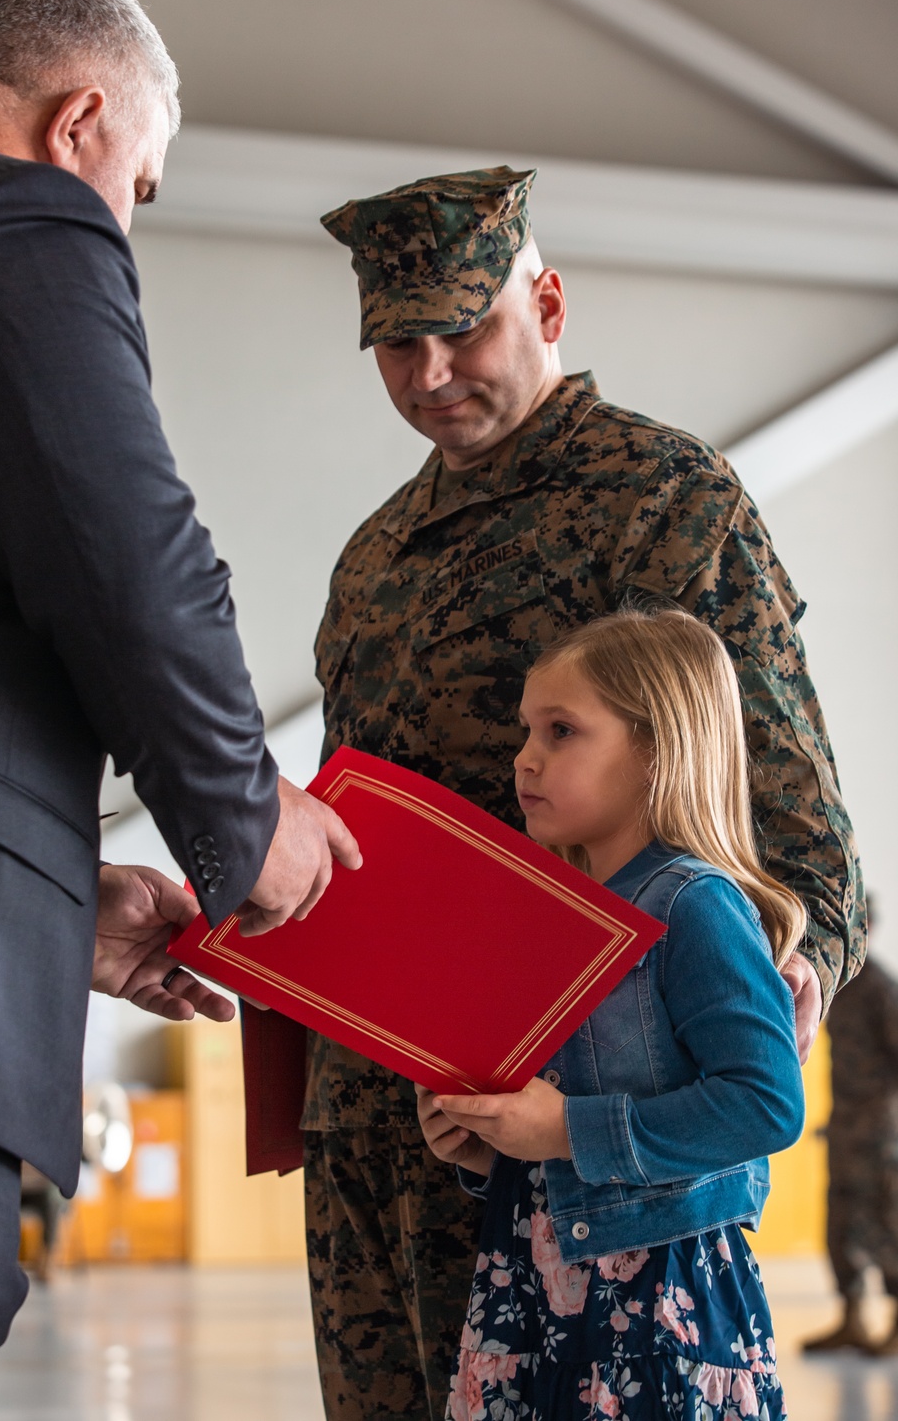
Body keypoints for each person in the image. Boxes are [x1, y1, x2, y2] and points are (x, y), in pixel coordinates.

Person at [303, 166, 864, 1420]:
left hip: (565, 1126)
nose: (431, 371)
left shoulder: (664, 498)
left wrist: (799, 966)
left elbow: (792, 810)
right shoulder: (375, 553)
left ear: (547, 304)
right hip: (384, 1113)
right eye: (397, 343)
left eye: (465, 327)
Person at [0, 0, 358, 1419]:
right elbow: (125, 555)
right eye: (141, 188)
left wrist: (38, 888)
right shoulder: (2, 216)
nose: (126, 222)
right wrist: (242, 813)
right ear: (82, 122)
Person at [417, 608, 805, 1418]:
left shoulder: (697, 906)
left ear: (657, 747)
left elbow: (766, 1102)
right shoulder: (553, 916)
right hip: (528, 1282)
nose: (525, 758)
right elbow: (556, 1105)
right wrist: (490, 1141)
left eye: (562, 731)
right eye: (527, 731)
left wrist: (563, 1132)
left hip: (655, 1302)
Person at [803, 898, 898, 1356]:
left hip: (881, 1134)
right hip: (844, 1130)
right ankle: (853, 1319)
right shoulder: (838, 988)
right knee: (841, 1224)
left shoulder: (880, 986)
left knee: (888, 1222)